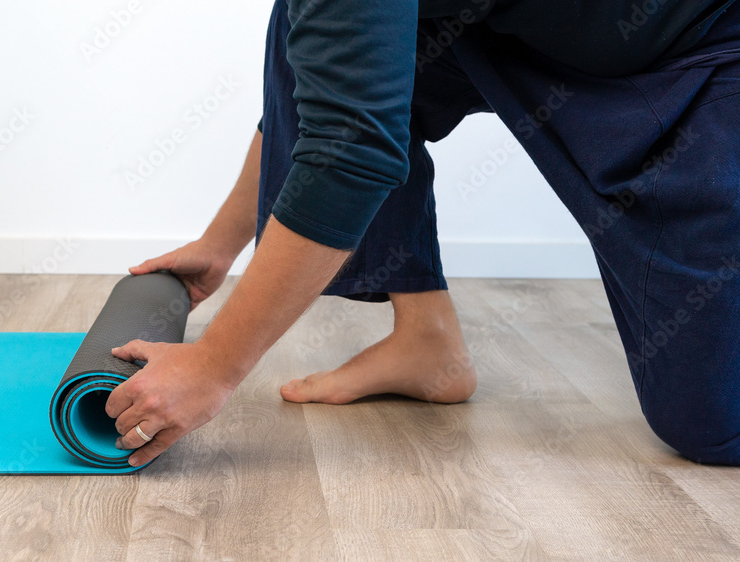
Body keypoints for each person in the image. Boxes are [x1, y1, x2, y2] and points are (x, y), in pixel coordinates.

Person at [105, 0, 740, 467]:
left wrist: (214, 368)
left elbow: (349, 153)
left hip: (704, 54)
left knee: (714, 425)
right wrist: (221, 244)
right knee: (314, 27)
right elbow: (338, 92)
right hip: (550, 31)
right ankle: (425, 338)